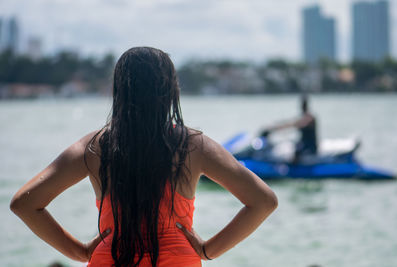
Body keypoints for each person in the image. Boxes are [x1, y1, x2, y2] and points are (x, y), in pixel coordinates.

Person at [10, 47, 278, 267]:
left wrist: (78, 252)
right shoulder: (193, 146)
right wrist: (209, 250)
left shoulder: (94, 146)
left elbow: (24, 203)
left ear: (120, 91)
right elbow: (263, 201)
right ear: (170, 90)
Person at [260, 95, 318, 162]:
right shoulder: (302, 118)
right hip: (303, 144)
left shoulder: (310, 118)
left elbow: (299, 124)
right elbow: (291, 123)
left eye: (303, 104)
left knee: (297, 151)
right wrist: (274, 127)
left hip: (309, 145)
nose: (302, 106)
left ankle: (295, 169)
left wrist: (289, 126)